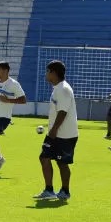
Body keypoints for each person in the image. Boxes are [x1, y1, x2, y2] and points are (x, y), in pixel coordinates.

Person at [35, 60, 78, 202]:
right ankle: (49, 190)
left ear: (53, 73)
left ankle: (65, 191)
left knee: (62, 163)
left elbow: (62, 112)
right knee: (44, 157)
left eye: (48, 71)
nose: (46, 74)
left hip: (64, 134)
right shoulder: (57, 88)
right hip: (55, 133)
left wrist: (54, 130)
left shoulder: (63, 89)